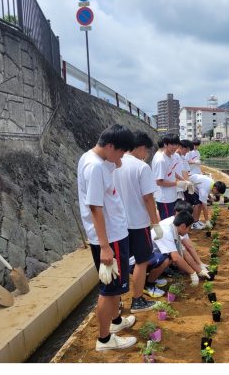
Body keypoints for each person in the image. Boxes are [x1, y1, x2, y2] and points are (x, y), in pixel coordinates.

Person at [77, 124, 137, 351]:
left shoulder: (96, 160)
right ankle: (104, 340)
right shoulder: (95, 167)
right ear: (110, 146)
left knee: (113, 287)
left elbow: (116, 164)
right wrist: (105, 246)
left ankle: (116, 322)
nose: (122, 158)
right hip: (109, 238)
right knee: (109, 290)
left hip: (112, 234)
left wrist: (117, 159)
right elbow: (95, 208)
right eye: (121, 151)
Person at [113, 130, 163, 313]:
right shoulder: (141, 167)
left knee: (119, 264)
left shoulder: (114, 163)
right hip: (138, 223)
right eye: (147, 151)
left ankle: (116, 304)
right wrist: (155, 223)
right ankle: (137, 300)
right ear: (141, 148)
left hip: (117, 224)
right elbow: (148, 198)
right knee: (141, 262)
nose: (147, 155)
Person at [146, 211, 205, 292]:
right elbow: (176, 258)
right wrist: (192, 273)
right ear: (183, 226)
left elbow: (184, 253)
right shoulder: (166, 232)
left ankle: (153, 277)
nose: (189, 230)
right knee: (166, 259)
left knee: (169, 257)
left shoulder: (174, 228)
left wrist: (200, 271)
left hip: (150, 256)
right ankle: (148, 284)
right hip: (139, 260)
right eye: (189, 227)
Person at [152, 134, 192, 219]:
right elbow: (159, 182)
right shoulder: (161, 160)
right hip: (164, 198)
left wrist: (184, 181)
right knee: (166, 222)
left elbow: (172, 171)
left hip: (171, 196)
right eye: (172, 144)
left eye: (176, 144)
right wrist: (177, 183)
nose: (174, 147)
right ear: (165, 144)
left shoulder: (170, 156)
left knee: (171, 220)